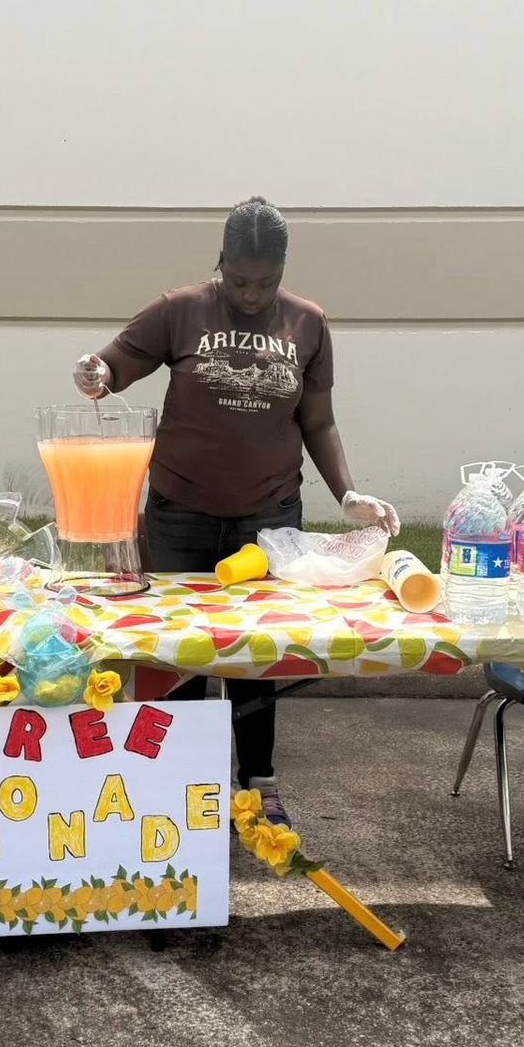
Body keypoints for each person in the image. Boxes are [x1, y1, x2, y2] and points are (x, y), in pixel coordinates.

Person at [73, 197, 398, 827]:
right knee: (183, 652)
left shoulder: (309, 322)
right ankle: (185, 782)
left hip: (268, 517)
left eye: (265, 281)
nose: (251, 294)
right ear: (220, 263)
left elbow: (319, 420)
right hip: (180, 512)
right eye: (239, 279)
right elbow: (115, 366)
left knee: (258, 652)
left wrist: (347, 494)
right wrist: (93, 372)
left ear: (283, 270)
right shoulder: (181, 309)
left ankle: (258, 779)